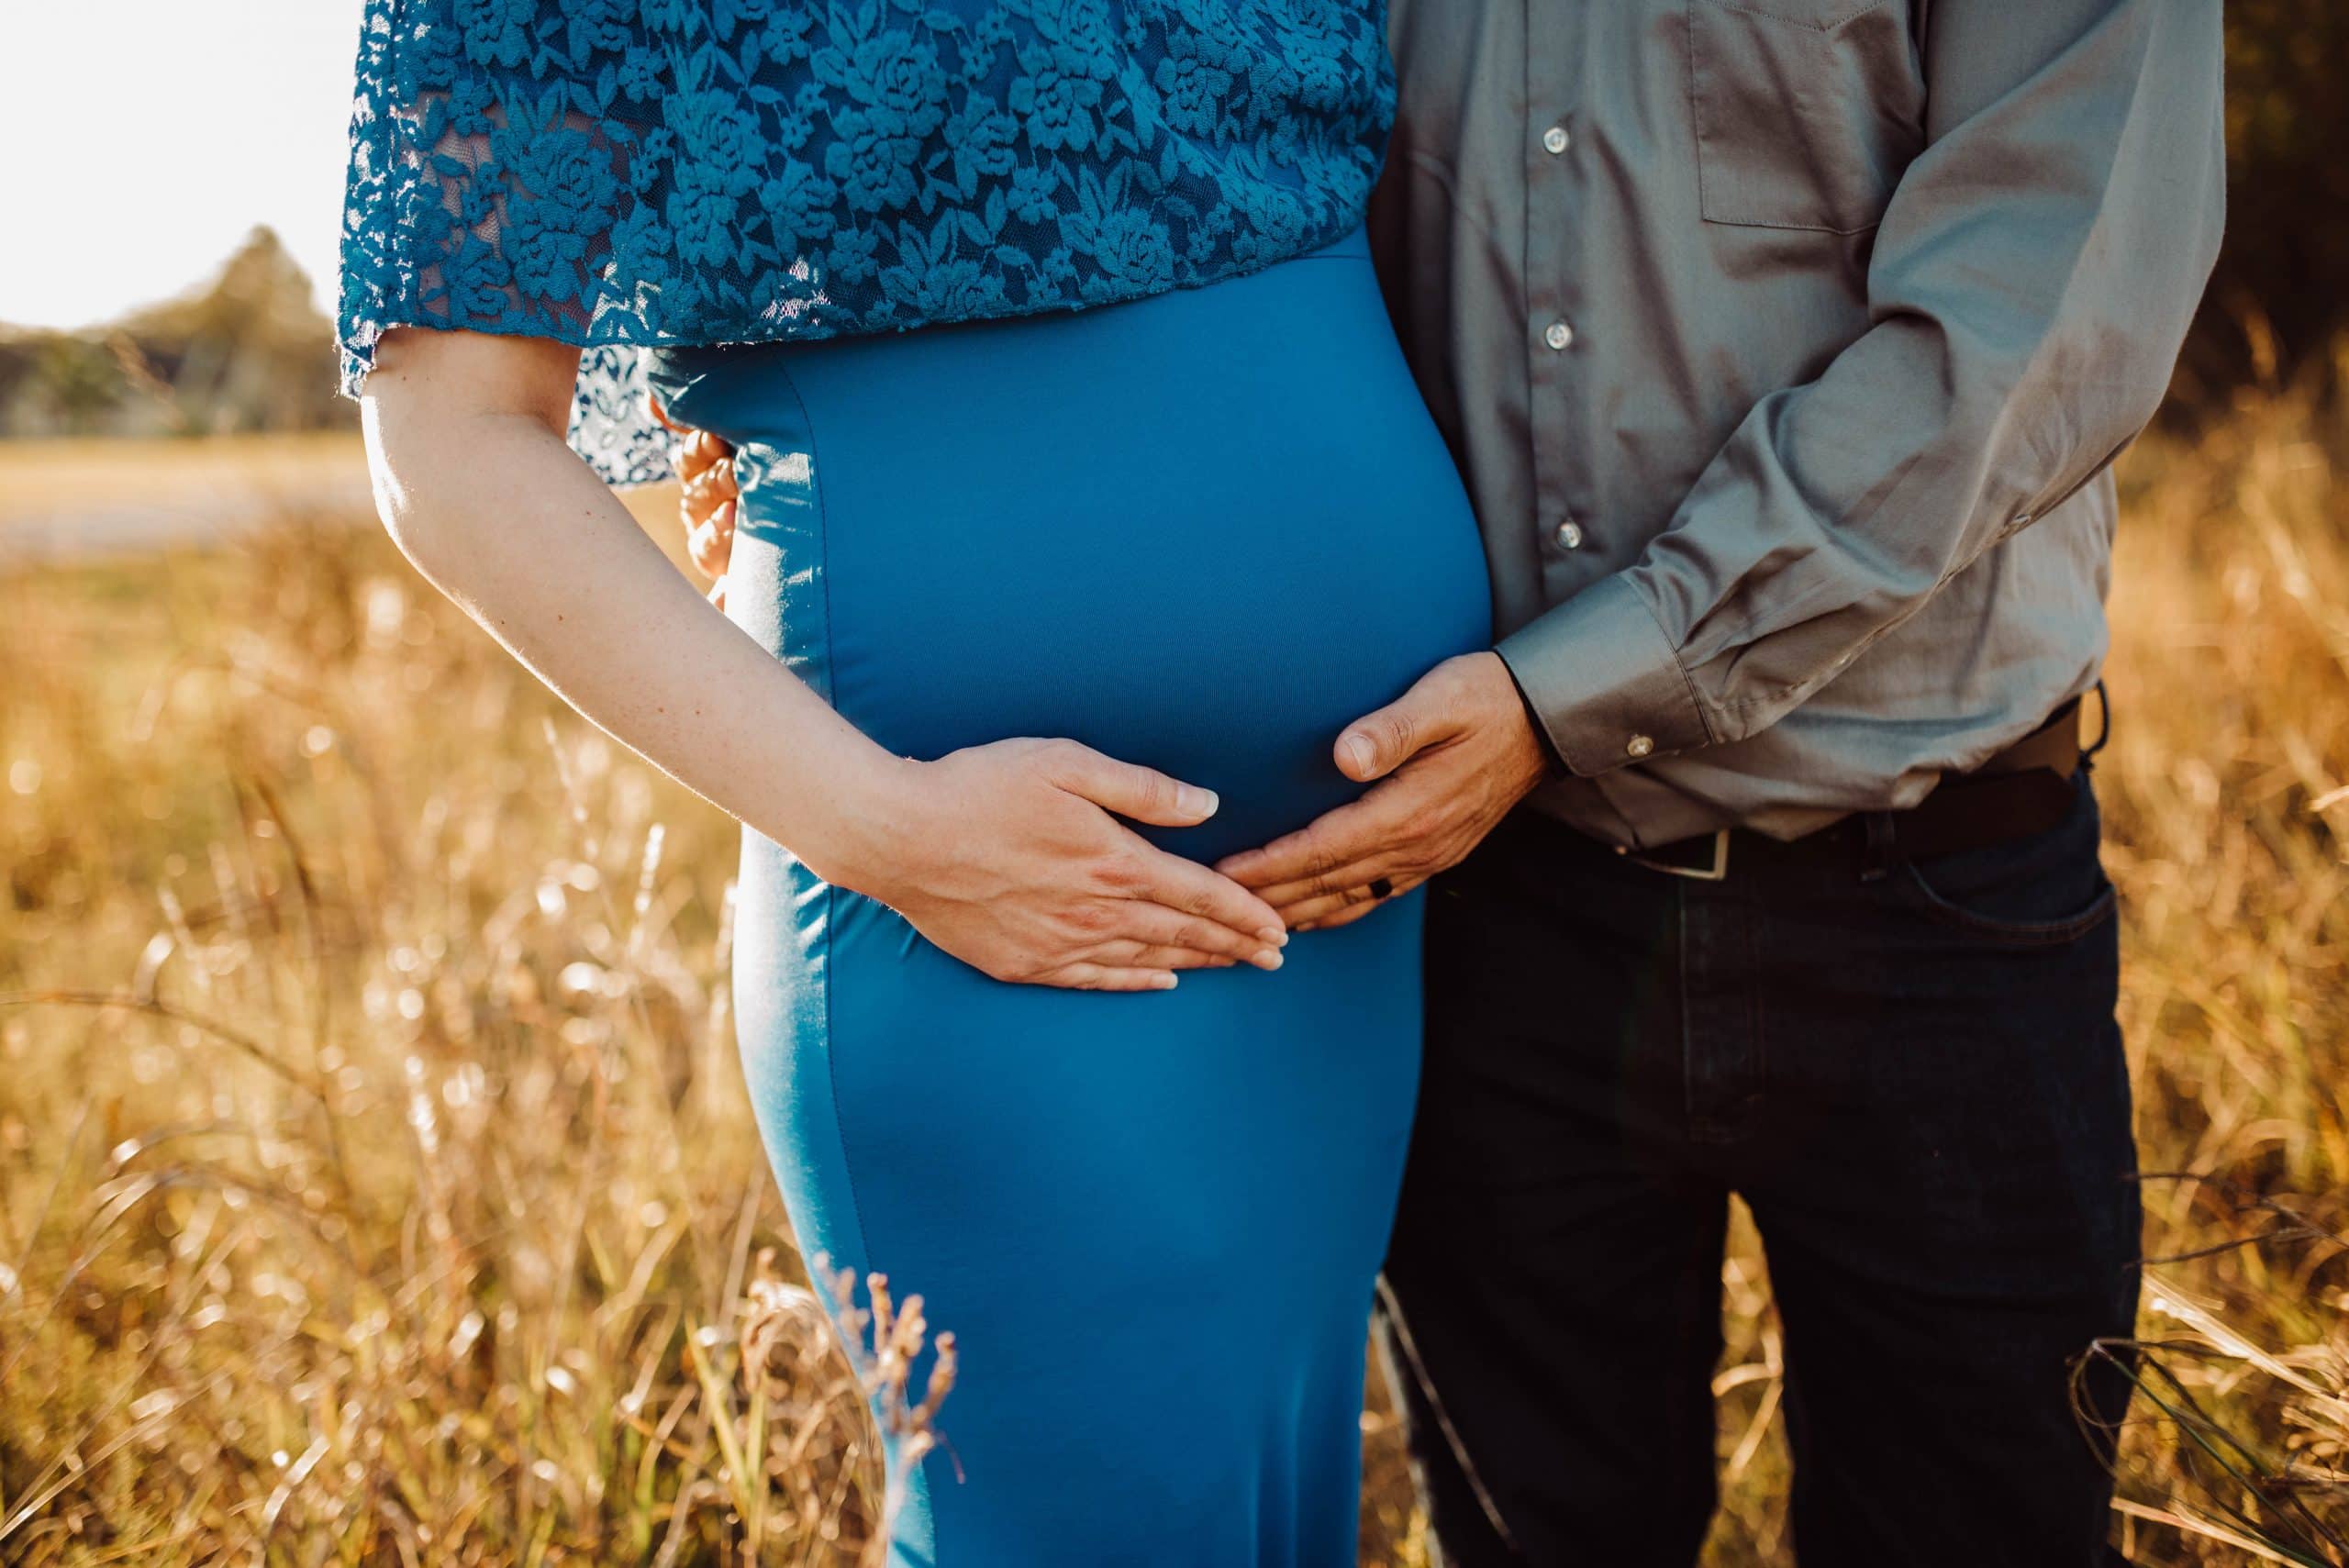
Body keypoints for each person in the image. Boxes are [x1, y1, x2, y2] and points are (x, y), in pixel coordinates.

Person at [672, 2, 2229, 1562]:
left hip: (1928, 899)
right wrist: (836, 399)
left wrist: (1567, 696)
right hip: (1484, 908)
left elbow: (2030, 327)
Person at [337, 3, 1495, 1564]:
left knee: (1269, 1504)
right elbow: (446, 433)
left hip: (1335, 905)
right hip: (971, 900)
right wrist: (895, 832)